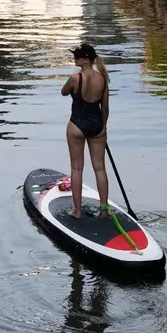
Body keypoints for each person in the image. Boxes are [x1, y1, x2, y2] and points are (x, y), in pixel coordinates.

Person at [62, 42, 110, 217]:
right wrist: (103, 127)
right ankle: (104, 211)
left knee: (77, 168)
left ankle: (77, 210)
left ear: (85, 59)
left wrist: (73, 80)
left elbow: (64, 92)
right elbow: (104, 108)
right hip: (97, 126)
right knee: (100, 168)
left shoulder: (76, 78)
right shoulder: (103, 78)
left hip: (77, 125)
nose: (74, 58)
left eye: (77, 56)